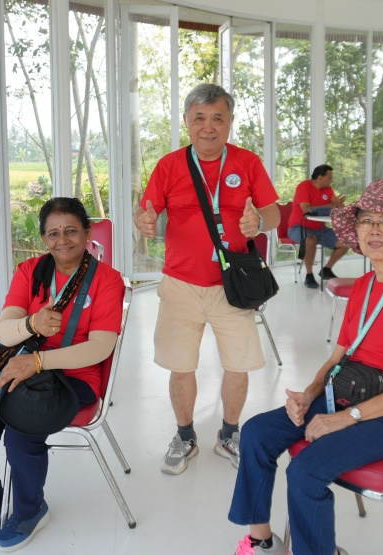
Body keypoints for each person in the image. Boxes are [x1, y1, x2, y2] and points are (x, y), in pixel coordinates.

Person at [227, 177, 383, 555]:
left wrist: (346, 418)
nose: (374, 230)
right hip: (351, 394)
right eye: (366, 221)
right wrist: (308, 395)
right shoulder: (363, 286)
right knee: (256, 432)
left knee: (305, 470)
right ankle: (261, 541)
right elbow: (338, 358)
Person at [0, 197, 125, 550]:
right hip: (18, 365)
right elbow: (3, 332)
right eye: (53, 233)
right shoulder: (29, 271)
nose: (63, 240)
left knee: (21, 431)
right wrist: (32, 324)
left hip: (74, 377)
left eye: (71, 230)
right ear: (44, 238)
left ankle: (30, 510)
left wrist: (39, 362)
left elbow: (101, 347)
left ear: (87, 233)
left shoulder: (107, 280)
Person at [135, 83, 280, 475]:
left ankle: (229, 434)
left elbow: (273, 213)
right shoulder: (169, 165)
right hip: (180, 284)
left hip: (233, 284)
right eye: (199, 118)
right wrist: (143, 220)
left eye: (218, 118)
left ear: (230, 121)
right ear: (187, 121)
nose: (208, 126)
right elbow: (146, 210)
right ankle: (185, 435)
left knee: (238, 365)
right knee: (180, 366)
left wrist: (257, 222)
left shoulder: (247, 162)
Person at [288, 165, 349, 288]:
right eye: (329, 178)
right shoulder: (304, 186)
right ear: (320, 178)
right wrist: (330, 205)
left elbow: (333, 206)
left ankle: (326, 269)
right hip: (298, 227)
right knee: (310, 240)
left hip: (320, 229)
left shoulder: (328, 189)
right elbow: (306, 209)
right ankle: (309, 275)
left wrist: (339, 206)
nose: (331, 180)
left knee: (346, 240)